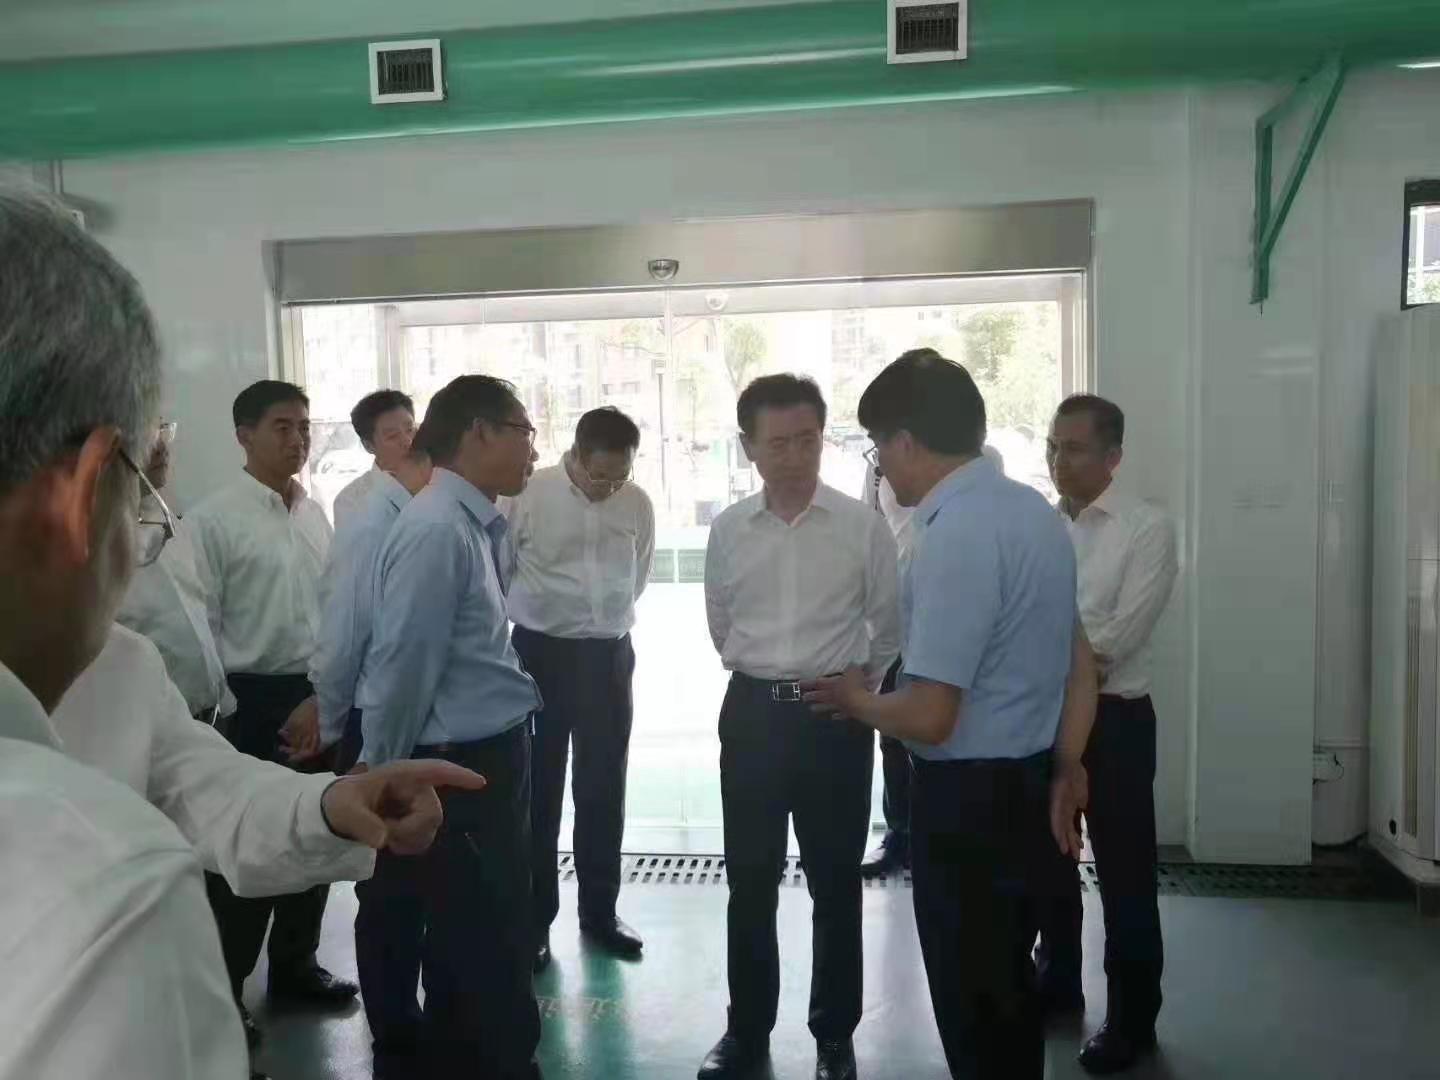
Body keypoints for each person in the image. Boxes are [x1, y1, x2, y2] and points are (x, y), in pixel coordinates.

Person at [0, 185, 482, 1080]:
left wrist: (330, 804)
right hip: (258, 697)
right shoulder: (113, 892)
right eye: (143, 496)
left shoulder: (119, 671)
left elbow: (204, 786)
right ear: (85, 492)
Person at [803, 349, 1096, 1080]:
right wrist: (1067, 763)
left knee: (974, 1005)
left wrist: (856, 700)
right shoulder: (1034, 514)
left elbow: (932, 715)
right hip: (1029, 786)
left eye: (877, 449)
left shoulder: (955, 534)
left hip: (970, 808)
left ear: (904, 442)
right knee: (1008, 994)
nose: (880, 467)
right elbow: (1080, 662)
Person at [699, 375, 900, 1080]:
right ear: (749, 447)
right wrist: (765, 673)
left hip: (832, 718)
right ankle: (746, 1030)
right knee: (749, 881)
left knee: (835, 883)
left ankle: (834, 1035)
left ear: (823, 439)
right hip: (752, 714)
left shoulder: (861, 526)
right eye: (777, 443)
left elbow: (888, 624)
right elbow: (720, 620)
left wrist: (857, 690)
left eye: (807, 440)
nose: (793, 456)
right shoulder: (728, 529)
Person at [360, 374, 545, 1080]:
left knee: (483, 940)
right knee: (484, 948)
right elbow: (404, 665)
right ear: (479, 432)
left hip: (484, 759)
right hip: (457, 768)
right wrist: (382, 774)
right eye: (524, 431)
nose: (533, 449)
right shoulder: (438, 529)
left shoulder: (466, 522)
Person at [185, 380, 355, 1039]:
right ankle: (222, 995)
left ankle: (296, 967)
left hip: (315, 695)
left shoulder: (313, 513)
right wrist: (231, 713)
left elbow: (334, 611)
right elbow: (202, 625)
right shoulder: (213, 521)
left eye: (304, 427)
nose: (298, 439)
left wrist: (323, 697)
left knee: (317, 835)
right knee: (246, 853)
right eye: (282, 427)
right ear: (244, 436)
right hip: (250, 704)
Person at [282, 441, 434, 1077]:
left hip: (405, 721)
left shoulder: (422, 518)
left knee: (411, 887)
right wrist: (332, 718)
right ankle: (395, 1034)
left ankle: (411, 1023)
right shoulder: (374, 524)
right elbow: (344, 634)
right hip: (373, 722)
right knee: (388, 890)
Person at [1040, 394, 1177, 1075]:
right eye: (1053, 446)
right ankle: (1057, 984)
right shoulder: (1042, 528)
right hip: (1044, 717)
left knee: (1124, 875)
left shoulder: (1147, 528)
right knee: (1049, 863)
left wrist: (1055, 663)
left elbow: (1116, 639)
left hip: (1116, 722)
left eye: (1075, 448)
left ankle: (1131, 1020)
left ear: (1113, 456)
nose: (1059, 460)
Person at [509, 406, 656, 970]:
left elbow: (638, 575)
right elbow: (502, 569)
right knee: (538, 791)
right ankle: (533, 922)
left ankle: (600, 913)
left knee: (603, 789)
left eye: (619, 477)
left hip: (608, 657)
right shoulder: (529, 494)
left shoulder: (636, 502)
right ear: (574, 454)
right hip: (539, 656)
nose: (608, 488)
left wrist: (600, 622)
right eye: (599, 476)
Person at [859, 436, 1007, 878]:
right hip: (896, 614)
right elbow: (870, 528)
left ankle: (947, 835)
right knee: (892, 731)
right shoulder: (879, 465)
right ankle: (899, 833)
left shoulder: (981, 459)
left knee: (947, 722)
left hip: (952, 611)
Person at [116, 421, 237, 722]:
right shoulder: (92, 546)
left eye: (161, 429)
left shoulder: (169, 522)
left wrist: (221, 697)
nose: (160, 446)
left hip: (210, 713)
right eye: (143, 434)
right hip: (150, 724)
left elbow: (202, 615)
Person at [333, 389, 416, 528]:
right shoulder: (351, 501)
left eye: (410, 430)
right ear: (368, 446)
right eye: (392, 436)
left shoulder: (436, 482)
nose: (407, 441)